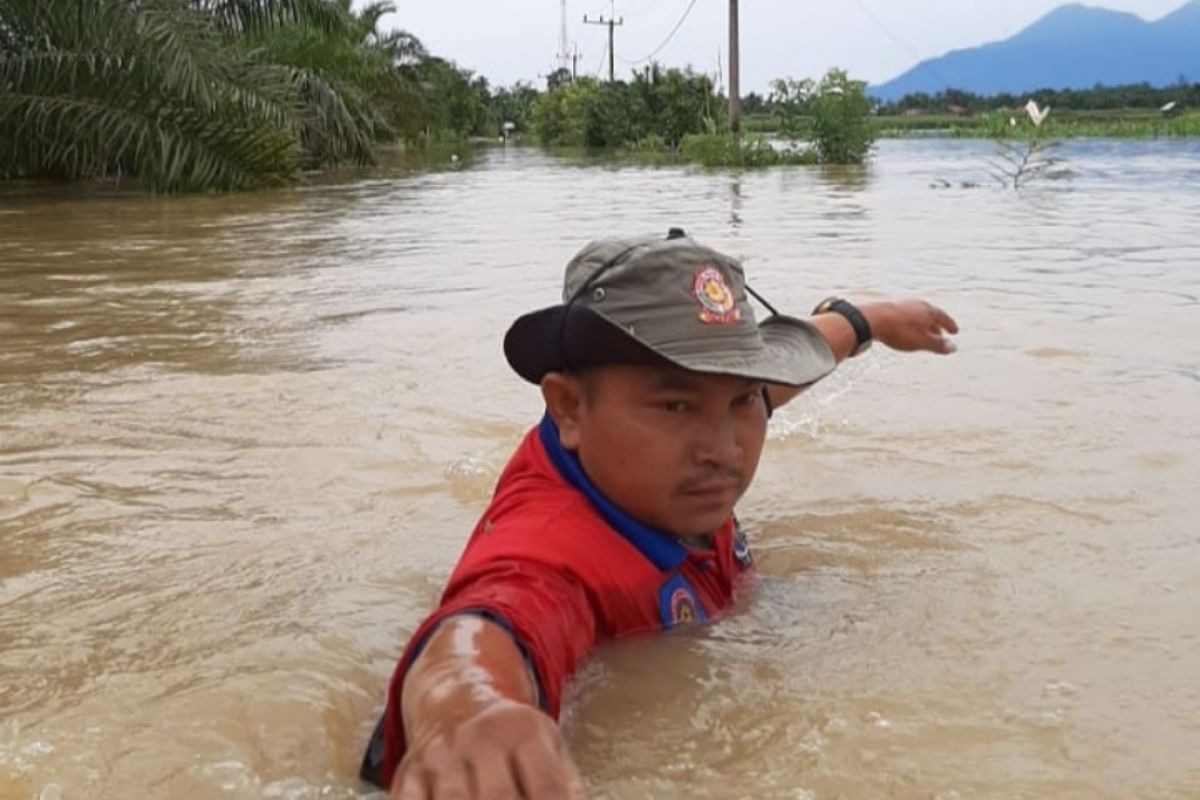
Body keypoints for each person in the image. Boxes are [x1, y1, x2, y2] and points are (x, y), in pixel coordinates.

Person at [360, 230, 959, 799]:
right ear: (569, 408)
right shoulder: (550, 549)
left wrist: (870, 320)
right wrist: (472, 714)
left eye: (743, 398)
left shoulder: (675, 445)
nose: (724, 449)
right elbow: (486, 625)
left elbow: (784, 373)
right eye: (675, 404)